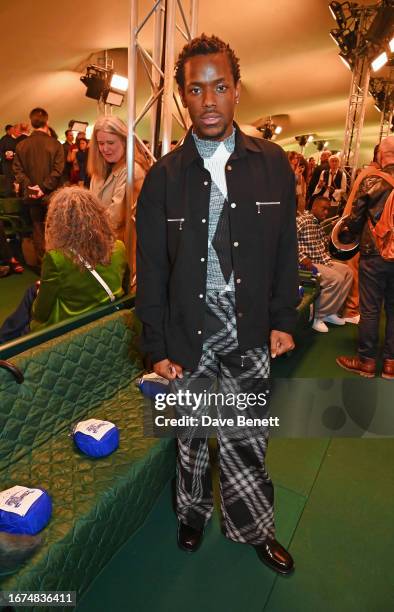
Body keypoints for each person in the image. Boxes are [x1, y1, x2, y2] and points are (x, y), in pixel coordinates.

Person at [136, 34, 298, 574]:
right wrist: (155, 345)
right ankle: (192, 514)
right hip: (188, 324)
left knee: (247, 432)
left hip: (249, 322)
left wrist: (283, 318)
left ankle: (253, 526)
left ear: (237, 91)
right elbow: (153, 271)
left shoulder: (273, 165)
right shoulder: (162, 178)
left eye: (220, 87)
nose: (209, 100)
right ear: (183, 97)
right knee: (191, 433)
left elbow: (285, 248)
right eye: (196, 89)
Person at [0, 187, 128, 343]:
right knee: (32, 290)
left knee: (31, 295)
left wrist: (41, 292)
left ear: (59, 221)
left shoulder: (56, 258)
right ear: (97, 215)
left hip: (67, 326)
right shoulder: (119, 247)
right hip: (104, 316)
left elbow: (40, 314)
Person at [336, 136, 394, 379]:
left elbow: (356, 219)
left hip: (374, 253)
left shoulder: (372, 180)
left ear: (381, 155)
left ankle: (367, 362)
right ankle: (390, 364)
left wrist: (345, 233)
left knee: (370, 309)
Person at [88, 116, 150, 283]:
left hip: (122, 252)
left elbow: (115, 218)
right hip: (101, 248)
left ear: (124, 141)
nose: (105, 148)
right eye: (101, 143)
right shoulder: (98, 171)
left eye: (110, 142)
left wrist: (87, 227)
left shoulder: (133, 171)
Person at [13, 107, 65, 263]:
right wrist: (43, 188)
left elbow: (17, 170)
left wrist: (32, 187)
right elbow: (58, 170)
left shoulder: (21, 146)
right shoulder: (56, 144)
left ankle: (42, 265)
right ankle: (54, 265)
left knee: (37, 228)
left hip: (31, 195)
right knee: (53, 229)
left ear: (31, 122)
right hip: (52, 195)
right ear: (47, 122)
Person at [297, 196, 353, 332]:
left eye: (328, 210)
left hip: (322, 260)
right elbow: (286, 240)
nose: (326, 213)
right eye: (324, 209)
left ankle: (330, 312)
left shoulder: (317, 223)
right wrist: (301, 258)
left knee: (348, 272)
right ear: (314, 207)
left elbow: (325, 244)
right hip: (309, 264)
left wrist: (336, 230)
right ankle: (318, 316)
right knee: (336, 279)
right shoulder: (302, 220)